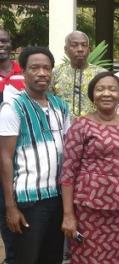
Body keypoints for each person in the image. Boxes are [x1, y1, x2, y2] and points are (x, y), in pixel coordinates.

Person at [60, 72, 119, 264]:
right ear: (92, 95)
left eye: (112, 89)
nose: (106, 93)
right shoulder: (81, 124)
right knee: (87, 257)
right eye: (100, 89)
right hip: (88, 209)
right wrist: (68, 214)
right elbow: (68, 172)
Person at [0, 46, 70, 264]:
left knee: (52, 258)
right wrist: (10, 207)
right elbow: (4, 158)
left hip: (57, 199)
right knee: (25, 259)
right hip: (28, 201)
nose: (42, 73)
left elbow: (69, 151)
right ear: (24, 71)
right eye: (35, 68)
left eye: (46, 68)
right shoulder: (13, 107)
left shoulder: (60, 106)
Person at [0, 28, 25, 264]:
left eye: (4, 40)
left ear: (11, 44)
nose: (1, 45)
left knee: (13, 208)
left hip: (17, 157)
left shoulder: (24, 74)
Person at [52, 30, 106, 117]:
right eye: (74, 45)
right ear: (66, 49)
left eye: (84, 45)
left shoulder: (101, 74)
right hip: (62, 127)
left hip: (93, 127)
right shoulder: (55, 72)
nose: (80, 49)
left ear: (89, 49)